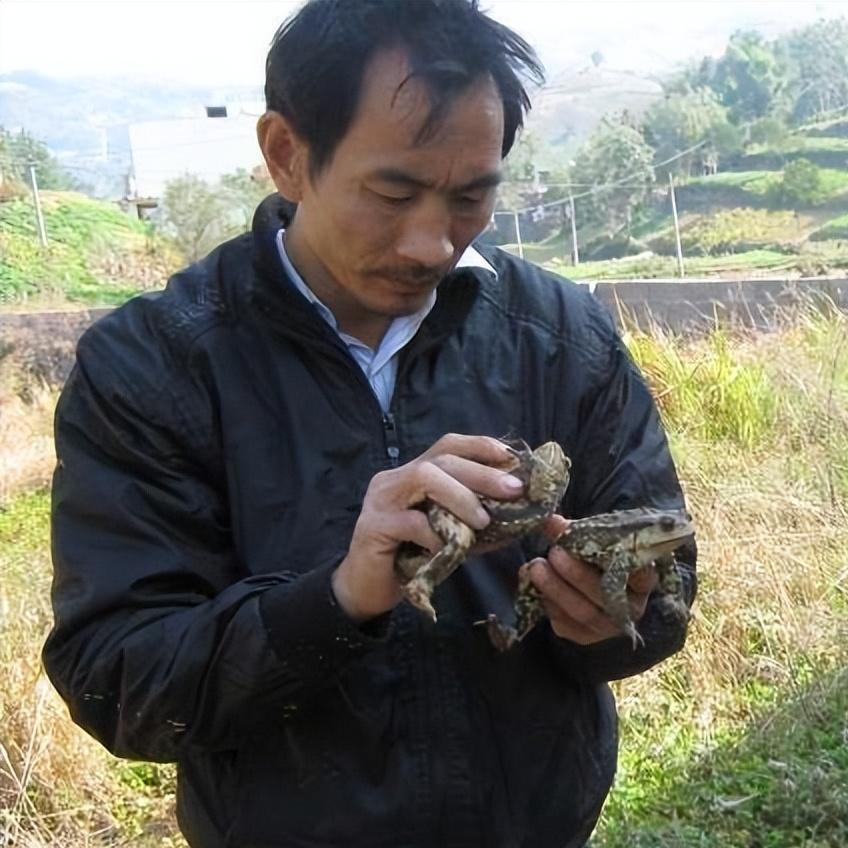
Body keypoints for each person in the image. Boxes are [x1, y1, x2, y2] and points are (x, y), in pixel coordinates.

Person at [42, 1, 697, 845]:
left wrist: (615, 623)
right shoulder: (153, 366)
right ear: (286, 154)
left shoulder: (562, 337)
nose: (431, 242)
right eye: (392, 192)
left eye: (470, 197)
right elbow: (117, 680)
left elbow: (669, 578)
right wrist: (338, 599)